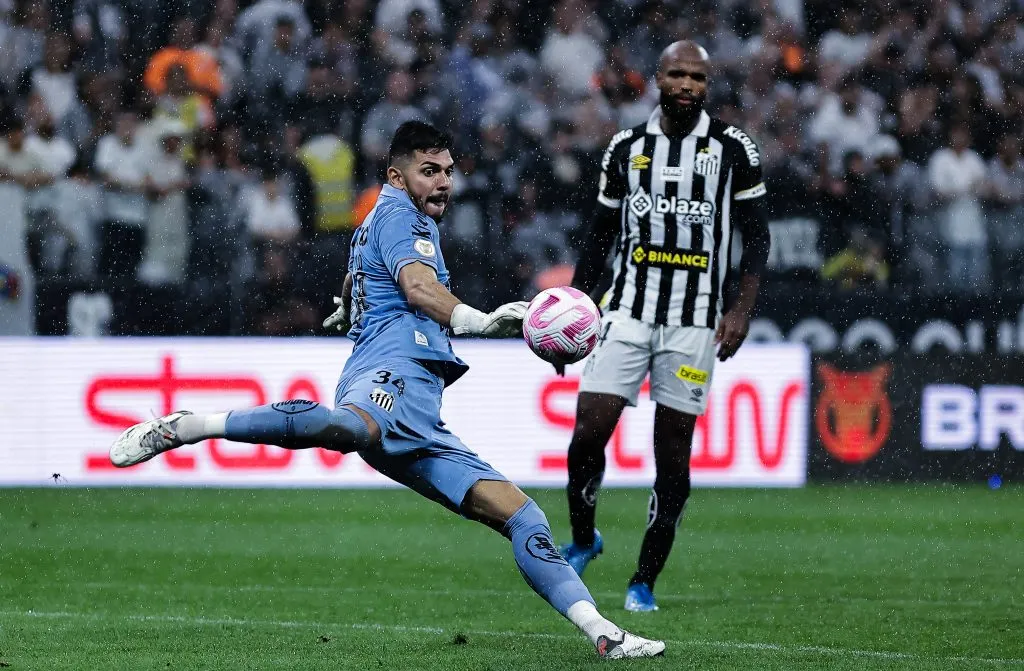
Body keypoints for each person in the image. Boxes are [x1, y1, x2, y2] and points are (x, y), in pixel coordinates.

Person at [108, 121, 665, 660]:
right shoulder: (402, 217)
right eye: (429, 170)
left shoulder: (384, 217)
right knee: (350, 427)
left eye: (448, 170)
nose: (444, 181)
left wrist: (352, 302)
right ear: (397, 176)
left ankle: (602, 633)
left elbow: (363, 276)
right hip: (388, 376)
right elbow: (419, 288)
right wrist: (480, 321)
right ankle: (186, 426)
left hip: (421, 415)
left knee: (524, 517)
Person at [558, 41, 771, 612]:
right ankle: (584, 537)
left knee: (672, 452)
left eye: (697, 77)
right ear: (657, 78)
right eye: (677, 73)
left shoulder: (732, 148)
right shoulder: (626, 146)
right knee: (586, 436)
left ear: (708, 85)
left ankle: (643, 580)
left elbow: (758, 238)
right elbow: (600, 235)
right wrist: (577, 309)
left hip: (696, 320)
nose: (686, 85)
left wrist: (741, 310)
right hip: (626, 310)